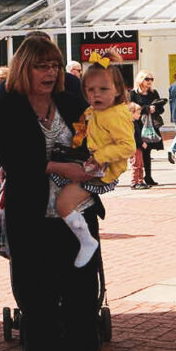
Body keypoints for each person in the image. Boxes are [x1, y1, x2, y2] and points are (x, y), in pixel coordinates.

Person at [0, 36, 103, 351]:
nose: (50, 72)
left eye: (54, 65)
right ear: (25, 68)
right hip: (31, 224)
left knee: (83, 301)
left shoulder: (71, 103)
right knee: (38, 312)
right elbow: (13, 160)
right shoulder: (7, 106)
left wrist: (97, 162)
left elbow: (97, 142)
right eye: (42, 66)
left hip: (76, 222)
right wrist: (59, 166)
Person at [52, 59, 135, 268]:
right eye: (90, 90)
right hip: (93, 163)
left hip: (103, 171)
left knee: (62, 204)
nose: (96, 94)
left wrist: (101, 156)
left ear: (118, 90)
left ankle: (86, 241)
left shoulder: (115, 115)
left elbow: (128, 146)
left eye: (103, 89)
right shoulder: (97, 111)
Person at [129, 70, 165, 189]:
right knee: (139, 151)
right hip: (138, 125)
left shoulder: (153, 93)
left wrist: (157, 108)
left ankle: (148, 176)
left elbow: (161, 110)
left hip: (150, 125)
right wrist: (147, 108)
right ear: (140, 80)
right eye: (147, 79)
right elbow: (130, 108)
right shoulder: (133, 94)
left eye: (151, 79)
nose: (150, 81)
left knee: (148, 150)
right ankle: (137, 179)